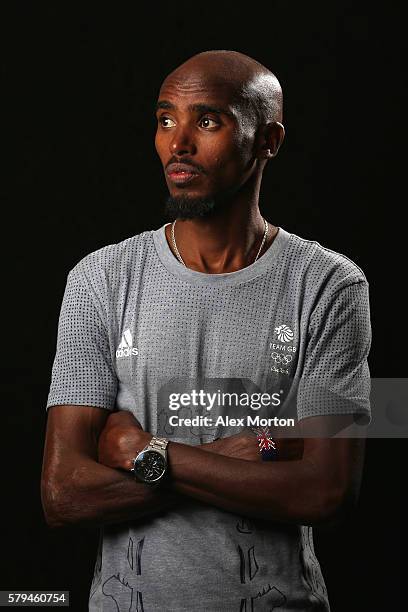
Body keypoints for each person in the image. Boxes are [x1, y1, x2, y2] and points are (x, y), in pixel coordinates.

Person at [41, 50, 371, 611]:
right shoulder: (98, 278)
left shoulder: (334, 284)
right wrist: (233, 454)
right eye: (166, 118)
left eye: (208, 121)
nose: (178, 143)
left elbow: (330, 489)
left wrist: (144, 450)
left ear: (269, 140)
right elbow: (62, 493)